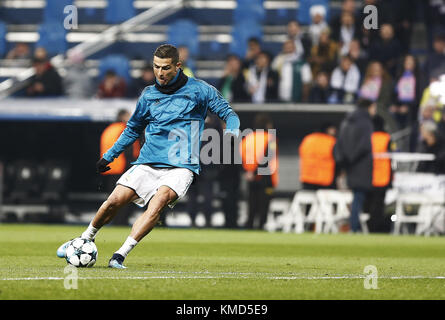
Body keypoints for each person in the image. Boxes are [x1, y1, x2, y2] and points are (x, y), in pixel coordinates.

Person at [56, 44, 241, 268]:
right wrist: (110, 155)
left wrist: (232, 130)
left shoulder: (200, 90)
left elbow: (228, 113)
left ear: (178, 66)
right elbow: (133, 128)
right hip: (147, 162)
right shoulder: (148, 94)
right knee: (114, 201)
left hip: (181, 166)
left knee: (159, 201)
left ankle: (120, 255)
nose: (160, 73)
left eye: (165, 68)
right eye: (156, 67)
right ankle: (84, 238)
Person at [334, 99, 376, 233]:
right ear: (368, 107)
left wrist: (344, 161)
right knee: (358, 198)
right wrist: (354, 158)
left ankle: (353, 225)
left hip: (348, 165)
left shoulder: (346, 121)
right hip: (361, 165)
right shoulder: (366, 123)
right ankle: (354, 226)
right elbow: (365, 145)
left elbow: (339, 144)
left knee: (355, 197)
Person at [99, 109, 141, 225]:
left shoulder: (109, 129)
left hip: (110, 168)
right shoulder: (123, 129)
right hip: (122, 168)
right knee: (124, 198)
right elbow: (128, 150)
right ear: (122, 117)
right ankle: (121, 221)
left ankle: (113, 221)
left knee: (112, 198)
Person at [240, 113, 278, 230]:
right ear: (267, 125)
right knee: (263, 205)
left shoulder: (248, 138)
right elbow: (267, 158)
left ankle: (249, 225)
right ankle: (261, 226)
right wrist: (256, 172)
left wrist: (248, 172)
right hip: (266, 177)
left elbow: (240, 156)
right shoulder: (269, 138)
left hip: (250, 177)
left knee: (251, 203)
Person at [364, 115, 394, 233]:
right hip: (383, 177)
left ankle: (367, 227)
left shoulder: (367, 137)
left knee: (367, 205)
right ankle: (377, 229)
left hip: (368, 176)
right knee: (379, 206)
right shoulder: (386, 138)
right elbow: (392, 157)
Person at [299, 123, 337, 190]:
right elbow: (338, 158)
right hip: (325, 179)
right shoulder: (331, 141)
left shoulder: (308, 139)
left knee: (309, 198)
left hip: (308, 178)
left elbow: (302, 153)